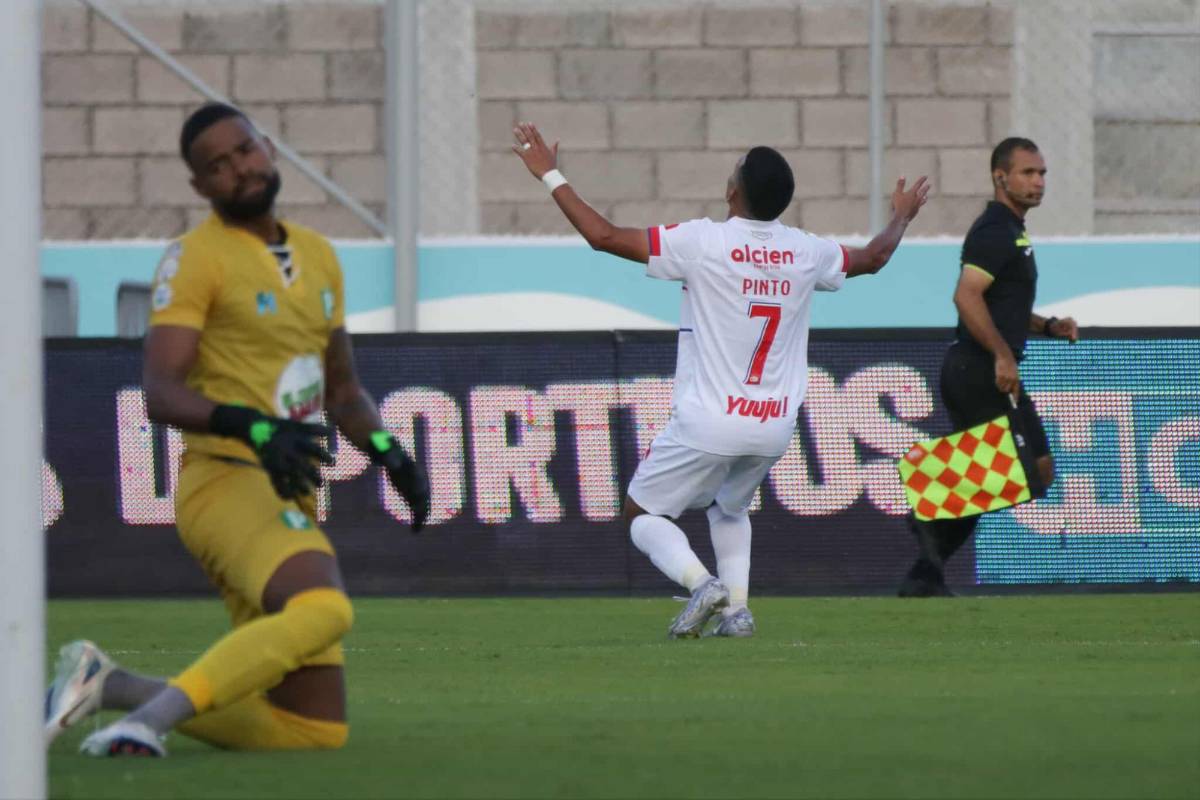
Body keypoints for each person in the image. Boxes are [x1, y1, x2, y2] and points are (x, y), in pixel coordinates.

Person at [44, 103, 431, 757]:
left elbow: (342, 391)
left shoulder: (318, 257)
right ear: (201, 188)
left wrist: (393, 455)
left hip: (289, 491)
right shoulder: (195, 258)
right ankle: (144, 726)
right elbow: (160, 391)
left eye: (243, 151)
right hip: (225, 483)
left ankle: (110, 686)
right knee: (327, 609)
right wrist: (251, 427)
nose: (238, 169)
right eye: (216, 167)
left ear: (268, 149)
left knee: (311, 732)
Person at [512, 122, 929, 637]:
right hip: (773, 426)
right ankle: (737, 612)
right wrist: (900, 217)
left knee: (641, 514)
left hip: (708, 420)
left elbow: (602, 236)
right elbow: (875, 257)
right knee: (729, 508)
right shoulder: (805, 251)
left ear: (733, 190)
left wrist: (549, 173)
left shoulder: (702, 241)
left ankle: (703, 584)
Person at [897, 137, 1078, 598]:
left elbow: (1003, 307)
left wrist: (1049, 326)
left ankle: (925, 573)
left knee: (1036, 470)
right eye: (1028, 173)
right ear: (1001, 177)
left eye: (1042, 174)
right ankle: (928, 490)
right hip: (978, 368)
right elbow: (967, 295)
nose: (1038, 182)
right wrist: (1001, 355)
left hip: (986, 366)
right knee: (1014, 470)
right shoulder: (995, 230)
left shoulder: (1013, 231)